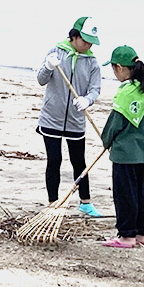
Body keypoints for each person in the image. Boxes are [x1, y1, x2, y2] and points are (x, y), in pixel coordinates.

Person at [36, 16, 103, 216]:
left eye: (91, 42)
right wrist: (48, 66)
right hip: (51, 117)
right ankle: (52, 203)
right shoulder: (55, 52)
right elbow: (41, 80)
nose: (88, 45)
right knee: (54, 159)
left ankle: (85, 202)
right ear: (74, 37)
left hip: (75, 120)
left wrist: (87, 100)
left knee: (79, 162)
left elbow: (95, 89)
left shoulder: (92, 62)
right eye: (85, 40)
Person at [100, 46, 144, 248]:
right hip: (143, 151)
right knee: (141, 192)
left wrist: (105, 140)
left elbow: (116, 123)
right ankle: (141, 232)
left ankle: (126, 235)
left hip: (125, 152)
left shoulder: (125, 93)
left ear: (121, 68)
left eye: (114, 69)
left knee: (125, 194)